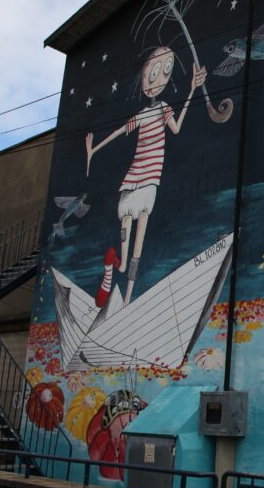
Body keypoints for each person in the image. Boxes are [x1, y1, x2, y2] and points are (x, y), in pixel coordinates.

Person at [85, 47, 207, 306]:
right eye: (152, 74)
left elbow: (175, 128)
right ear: (142, 78)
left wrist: (193, 90)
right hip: (140, 179)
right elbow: (121, 131)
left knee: (132, 242)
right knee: (132, 243)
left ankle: (122, 285)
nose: (156, 80)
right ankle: (119, 280)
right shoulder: (146, 113)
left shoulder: (162, 109)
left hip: (144, 180)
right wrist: (92, 150)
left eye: (163, 72)